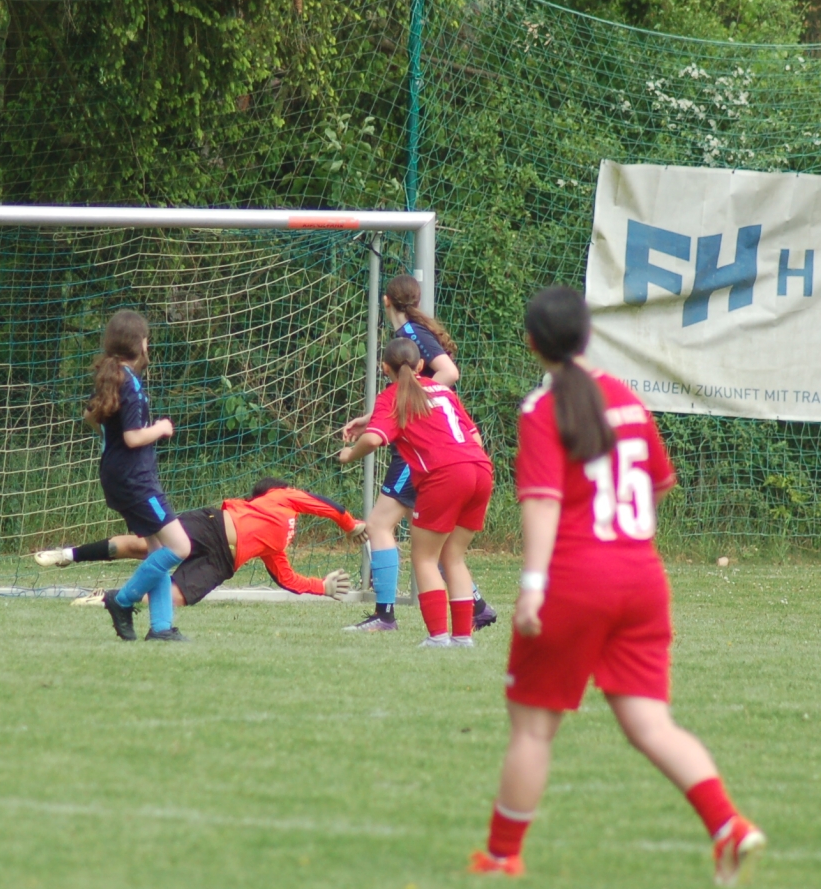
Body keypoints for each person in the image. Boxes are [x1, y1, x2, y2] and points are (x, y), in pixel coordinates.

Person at [470, 286, 765, 885]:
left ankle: (502, 857)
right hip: (641, 578)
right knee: (652, 724)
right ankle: (728, 825)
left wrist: (533, 586)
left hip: (576, 581)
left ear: (531, 343)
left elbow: (543, 503)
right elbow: (658, 483)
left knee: (533, 729)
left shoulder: (542, 409)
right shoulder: (627, 398)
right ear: (587, 336)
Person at [338, 274, 498, 634]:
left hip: (427, 449)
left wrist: (413, 409)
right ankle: (475, 606)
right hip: (459, 454)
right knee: (434, 538)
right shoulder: (410, 336)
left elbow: (449, 373)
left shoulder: (409, 334)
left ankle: (386, 615)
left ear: (386, 300)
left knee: (381, 526)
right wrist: (381, 414)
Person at [37, 478, 370, 607]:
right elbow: (324, 504)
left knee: (175, 598)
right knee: (143, 545)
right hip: (212, 526)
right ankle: (68, 554)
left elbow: (287, 579)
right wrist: (351, 524)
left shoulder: (275, 549)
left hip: (221, 563)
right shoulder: (279, 497)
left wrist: (321, 587)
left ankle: (106, 599)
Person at [81, 310, 191, 643]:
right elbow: (132, 437)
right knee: (180, 547)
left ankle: (161, 628)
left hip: (118, 477)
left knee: (157, 550)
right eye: (146, 339)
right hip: (136, 481)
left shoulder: (112, 376)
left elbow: (90, 416)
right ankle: (122, 600)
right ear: (140, 344)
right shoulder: (129, 383)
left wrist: (111, 440)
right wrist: (160, 428)